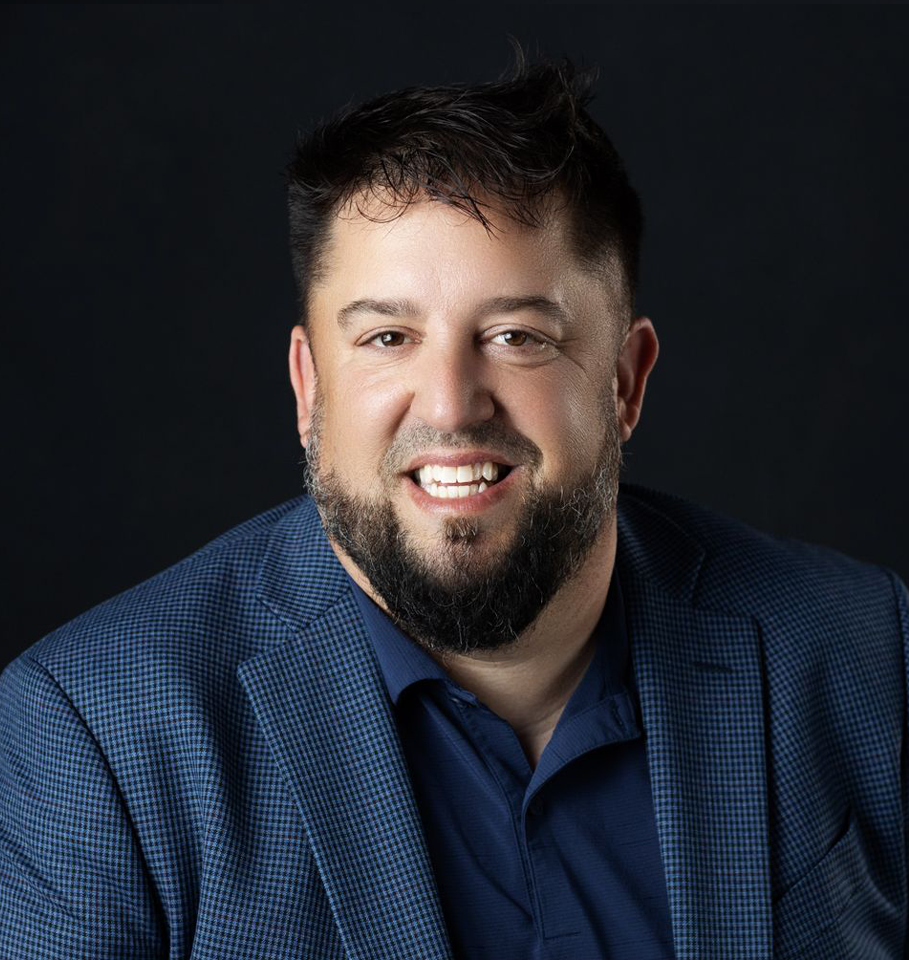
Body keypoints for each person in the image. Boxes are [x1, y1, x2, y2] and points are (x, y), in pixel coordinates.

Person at [1, 45, 906, 960]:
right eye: (388, 336)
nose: (448, 403)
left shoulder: (867, 657)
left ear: (626, 382)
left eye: (516, 336)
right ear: (308, 387)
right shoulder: (96, 739)